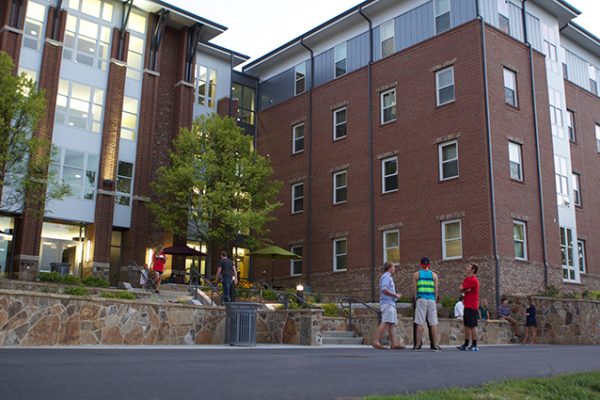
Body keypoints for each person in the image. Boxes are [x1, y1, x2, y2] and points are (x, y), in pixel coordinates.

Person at [372, 262, 404, 350]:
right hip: (387, 303)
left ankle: (394, 343)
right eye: (393, 267)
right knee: (385, 321)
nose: (394, 269)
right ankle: (376, 341)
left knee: (391, 324)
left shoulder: (388, 277)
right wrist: (395, 295)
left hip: (391, 303)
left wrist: (395, 295)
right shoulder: (386, 277)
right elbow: (384, 289)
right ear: (389, 267)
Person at [413, 257, 441, 352]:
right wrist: (435, 299)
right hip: (431, 299)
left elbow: (415, 290)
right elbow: (436, 290)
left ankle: (418, 345)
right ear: (429, 265)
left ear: (421, 264)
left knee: (420, 322)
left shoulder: (417, 274)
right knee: (433, 322)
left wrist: (416, 299)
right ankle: (436, 345)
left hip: (421, 299)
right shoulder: (434, 275)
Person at [457, 263, 480, 351]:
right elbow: (460, 288)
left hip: (472, 306)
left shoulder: (473, 280)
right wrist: (465, 290)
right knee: (466, 325)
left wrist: (464, 289)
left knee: (472, 326)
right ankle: (466, 344)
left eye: (468, 267)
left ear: (473, 270)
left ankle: (474, 345)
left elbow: (461, 288)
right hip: (466, 305)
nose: (466, 268)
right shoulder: (467, 279)